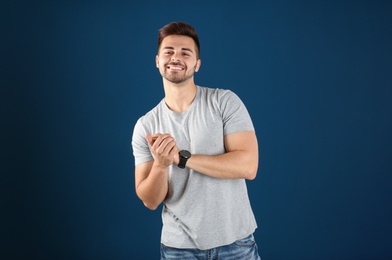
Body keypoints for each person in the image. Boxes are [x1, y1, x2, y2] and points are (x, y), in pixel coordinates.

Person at [132, 22, 261, 259]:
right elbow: (150, 201)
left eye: (185, 53)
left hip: (236, 244)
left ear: (197, 64)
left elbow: (248, 166)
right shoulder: (146, 126)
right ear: (157, 61)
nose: (176, 57)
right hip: (178, 249)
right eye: (168, 51)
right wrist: (161, 165)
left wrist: (181, 158)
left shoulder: (224, 102)